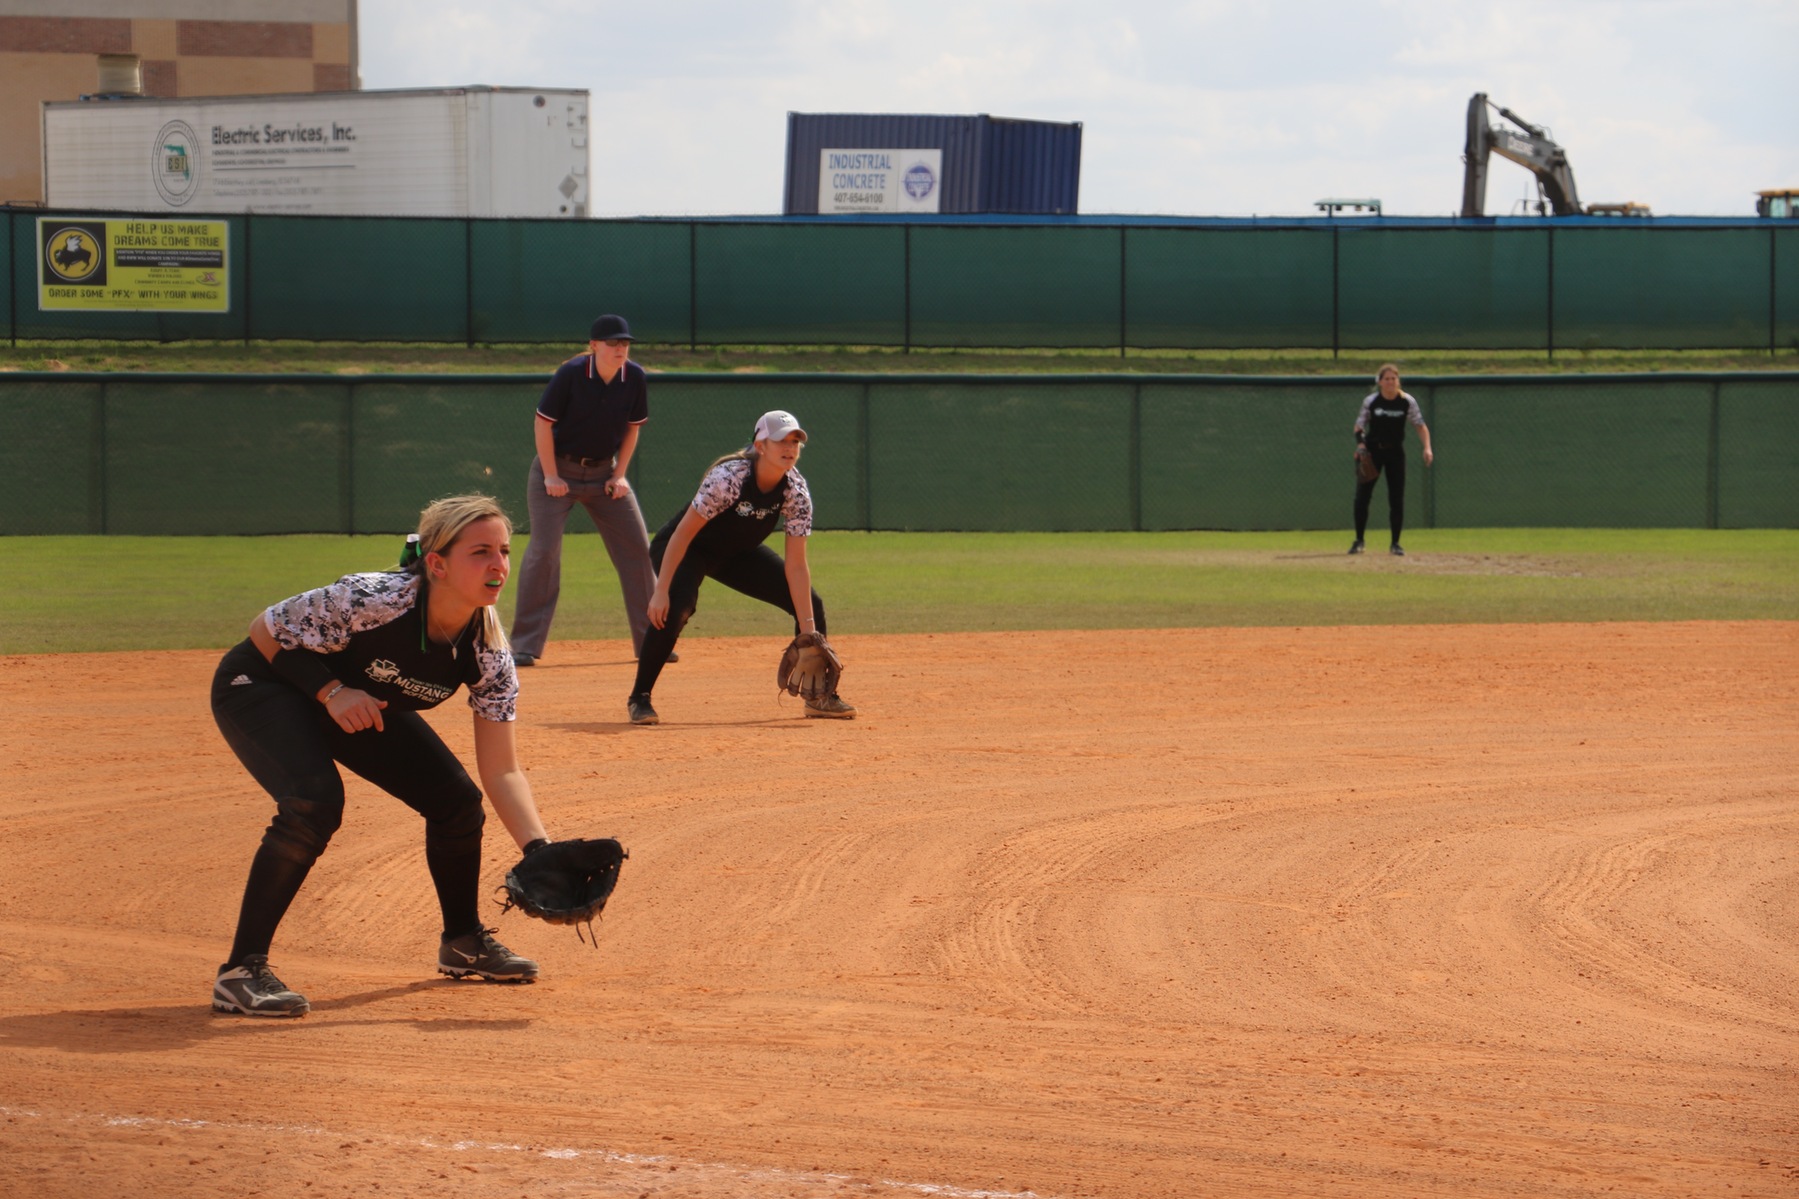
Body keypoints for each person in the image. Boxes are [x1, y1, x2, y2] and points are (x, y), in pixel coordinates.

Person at [209, 494, 555, 1018]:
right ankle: (241, 972)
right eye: (481, 551)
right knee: (314, 802)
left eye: (504, 551)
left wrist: (538, 851)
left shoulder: (487, 652)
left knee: (457, 803)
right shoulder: (375, 599)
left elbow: (501, 769)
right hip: (262, 684)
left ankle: (463, 941)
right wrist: (330, 692)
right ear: (436, 563)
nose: (499, 565)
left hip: (356, 703)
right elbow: (265, 630)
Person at [627, 409, 854, 725]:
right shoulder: (729, 478)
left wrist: (808, 633)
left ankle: (820, 698)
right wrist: (661, 590)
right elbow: (682, 534)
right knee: (678, 606)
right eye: (780, 441)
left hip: (736, 554)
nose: (790, 448)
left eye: (795, 441)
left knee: (810, 607)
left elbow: (797, 567)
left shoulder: (796, 492)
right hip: (685, 548)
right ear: (760, 446)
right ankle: (640, 698)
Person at [510, 314, 670, 667]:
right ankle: (524, 644)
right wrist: (551, 476)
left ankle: (652, 642)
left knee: (639, 552)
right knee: (544, 553)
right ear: (594, 345)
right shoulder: (571, 373)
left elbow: (632, 429)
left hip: (604, 475)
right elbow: (542, 423)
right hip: (556, 473)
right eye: (612, 343)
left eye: (624, 343)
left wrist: (620, 474)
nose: (619, 349)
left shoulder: (634, 377)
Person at [1349, 363, 1434, 556]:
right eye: (1386, 379)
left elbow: (1420, 426)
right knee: (1362, 497)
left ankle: (1395, 543)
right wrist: (1361, 444)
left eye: (1393, 378)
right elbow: (1359, 427)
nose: (1390, 382)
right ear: (1379, 382)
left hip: (1395, 453)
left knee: (1396, 498)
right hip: (1372, 453)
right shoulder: (1371, 401)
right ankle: (1359, 540)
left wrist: (1427, 448)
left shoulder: (1406, 401)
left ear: (1398, 381)